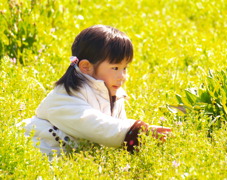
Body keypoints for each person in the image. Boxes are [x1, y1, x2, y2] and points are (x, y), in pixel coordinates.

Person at [20, 25, 171, 155]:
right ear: (86, 67)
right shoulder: (64, 97)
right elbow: (96, 125)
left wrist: (143, 139)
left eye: (125, 68)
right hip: (34, 151)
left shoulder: (113, 93)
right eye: (115, 68)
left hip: (69, 159)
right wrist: (136, 132)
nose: (122, 76)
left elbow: (115, 130)